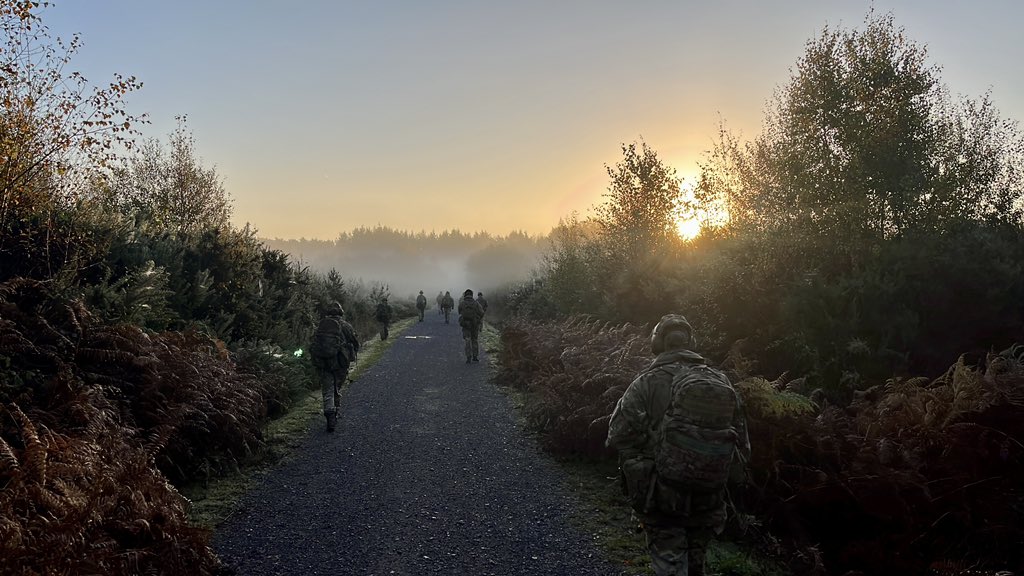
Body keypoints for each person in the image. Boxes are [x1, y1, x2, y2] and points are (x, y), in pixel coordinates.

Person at [606, 314, 750, 576]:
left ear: (658, 343)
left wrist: (649, 455)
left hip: (662, 497)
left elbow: (618, 435)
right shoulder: (721, 381)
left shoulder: (646, 382)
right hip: (708, 497)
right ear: (691, 342)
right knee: (697, 567)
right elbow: (743, 445)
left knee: (669, 566)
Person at [309, 301, 359, 432]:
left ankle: (329, 414)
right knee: (337, 388)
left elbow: (314, 342)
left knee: (327, 390)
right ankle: (335, 412)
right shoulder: (346, 325)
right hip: (341, 363)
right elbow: (355, 341)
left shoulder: (321, 326)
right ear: (340, 312)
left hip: (324, 363)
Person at [457, 289, 484, 363]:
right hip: (475, 325)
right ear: (472, 295)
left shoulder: (462, 303)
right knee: (474, 340)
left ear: (465, 295)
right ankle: (475, 356)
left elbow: (459, 311)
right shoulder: (476, 303)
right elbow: (482, 313)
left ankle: (468, 357)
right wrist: (478, 319)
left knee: (467, 340)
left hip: (465, 324)